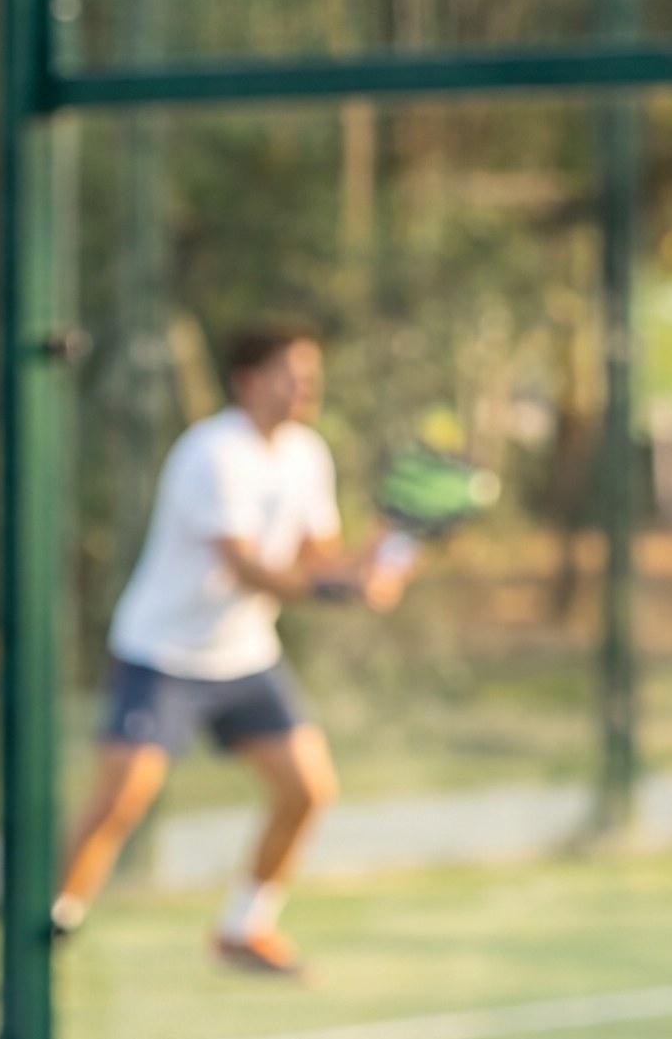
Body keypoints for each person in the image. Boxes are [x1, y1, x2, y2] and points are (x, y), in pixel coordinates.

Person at [50, 318, 410, 972]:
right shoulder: (211, 453)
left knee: (307, 791)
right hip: (161, 653)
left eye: (311, 375)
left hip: (244, 655)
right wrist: (341, 589)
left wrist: (376, 558)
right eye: (289, 374)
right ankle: (50, 926)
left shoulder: (307, 453)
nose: (305, 386)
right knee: (119, 803)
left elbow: (316, 555)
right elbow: (246, 569)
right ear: (247, 382)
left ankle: (243, 930)